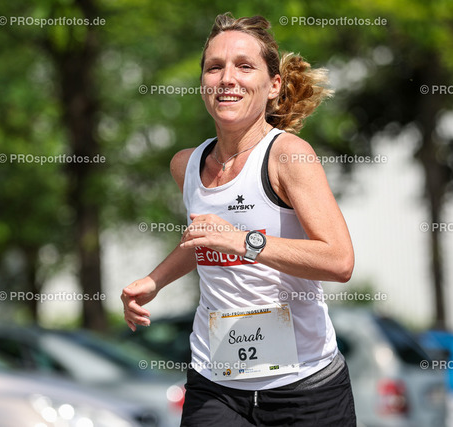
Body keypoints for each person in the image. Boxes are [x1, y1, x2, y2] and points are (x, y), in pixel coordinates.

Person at [121, 12, 356, 426]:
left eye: (244, 66)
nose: (227, 78)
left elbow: (339, 261)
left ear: (273, 85)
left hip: (304, 387)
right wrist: (154, 281)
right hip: (216, 382)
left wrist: (244, 241)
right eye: (215, 67)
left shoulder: (288, 156)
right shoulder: (186, 165)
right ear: (203, 83)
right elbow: (204, 239)